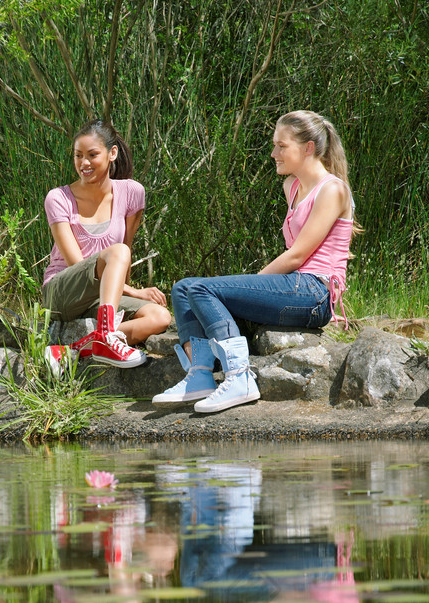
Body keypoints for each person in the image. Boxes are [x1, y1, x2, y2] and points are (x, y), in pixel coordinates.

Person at [153, 110, 357, 412]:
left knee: (202, 290)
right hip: (295, 287)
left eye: (281, 146)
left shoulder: (333, 190)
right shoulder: (293, 187)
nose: (274, 153)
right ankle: (200, 375)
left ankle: (238, 377)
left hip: (315, 293)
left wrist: (253, 283)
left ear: (308, 148)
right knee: (184, 288)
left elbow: (298, 255)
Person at [43, 120, 171, 372]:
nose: (84, 163)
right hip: (62, 293)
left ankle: (74, 349)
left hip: (102, 299)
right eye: (78, 156)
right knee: (118, 252)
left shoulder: (132, 193)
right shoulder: (58, 198)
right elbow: (79, 266)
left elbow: (125, 255)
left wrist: (127, 290)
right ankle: (108, 336)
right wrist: (135, 292)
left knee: (160, 317)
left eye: (92, 155)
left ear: (112, 154)